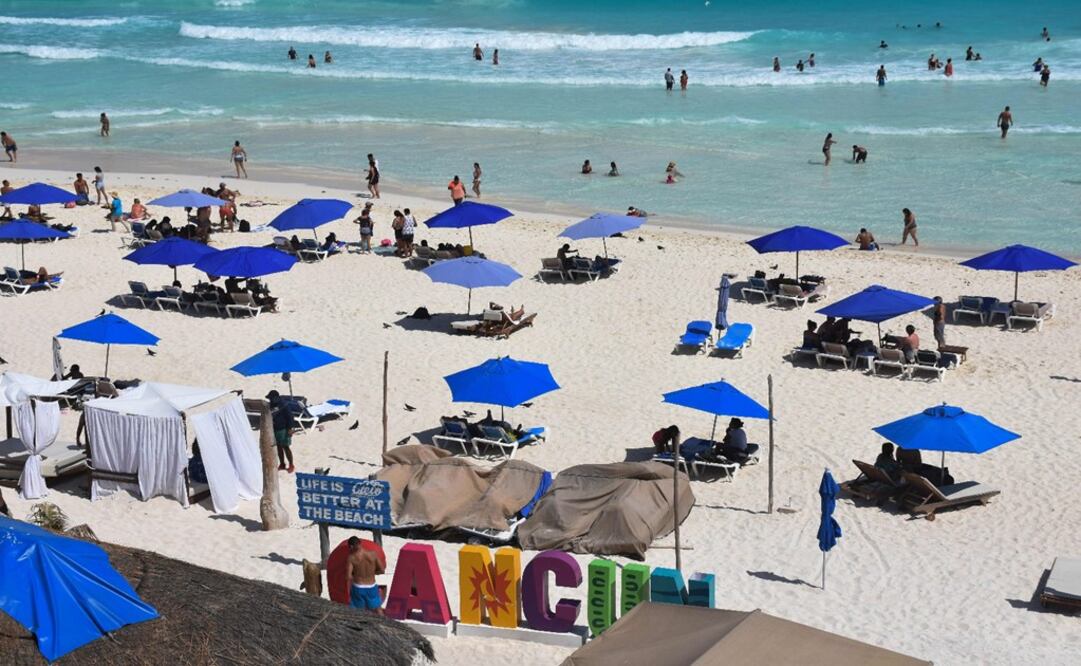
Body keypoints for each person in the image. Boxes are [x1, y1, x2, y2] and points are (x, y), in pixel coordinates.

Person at [346, 536, 385, 614]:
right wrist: (372, 573)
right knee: (378, 608)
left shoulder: (351, 558)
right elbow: (382, 570)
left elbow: (348, 576)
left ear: (351, 546)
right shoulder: (373, 554)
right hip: (372, 586)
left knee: (357, 611)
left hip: (358, 587)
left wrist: (356, 576)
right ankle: (385, 621)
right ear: (360, 543)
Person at [268, 390, 296, 473]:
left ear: (276, 398)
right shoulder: (271, 405)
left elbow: (290, 417)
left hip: (284, 429)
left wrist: (290, 428)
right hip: (275, 429)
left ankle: (291, 464)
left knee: (286, 447)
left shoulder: (283, 404)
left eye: (271, 398)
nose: (270, 400)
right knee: (279, 447)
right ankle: (282, 464)